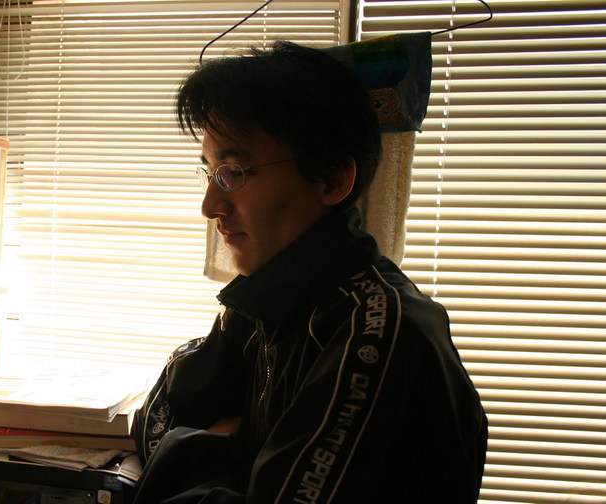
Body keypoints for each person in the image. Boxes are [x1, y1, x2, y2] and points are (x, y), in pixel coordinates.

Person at [130, 41, 487, 503]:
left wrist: (209, 449)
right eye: (210, 172)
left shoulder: (376, 333)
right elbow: (155, 421)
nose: (210, 205)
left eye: (235, 172)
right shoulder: (261, 302)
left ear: (332, 179)